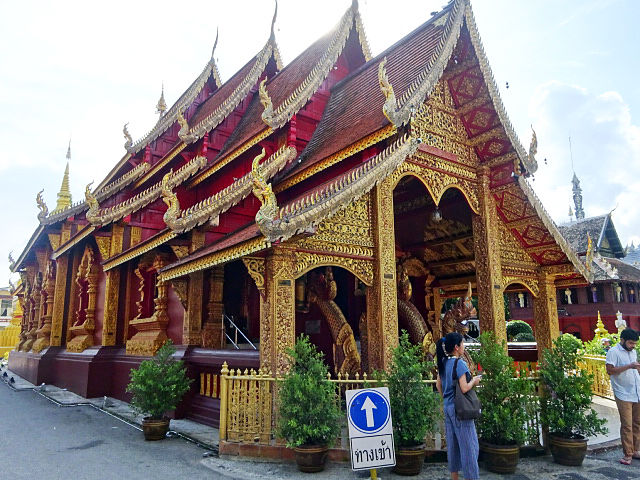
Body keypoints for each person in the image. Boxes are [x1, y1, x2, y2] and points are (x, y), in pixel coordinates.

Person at [436, 332, 482, 480]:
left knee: (453, 445)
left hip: (448, 407)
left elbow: (438, 385)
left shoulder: (443, 362)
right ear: (456, 347)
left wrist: (446, 398)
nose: (464, 346)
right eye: (462, 343)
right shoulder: (459, 363)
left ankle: (454, 477)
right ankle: (471, 477)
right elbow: (464, 388)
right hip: (460, 410)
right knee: (469, 447)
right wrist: (474, 381)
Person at [605, 328, 640, 465]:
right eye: (630, 343)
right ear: (622, 340)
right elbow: (610, 370)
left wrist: (636, 368)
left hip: (636, 391)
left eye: (635, 344)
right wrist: (629, 366)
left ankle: (636, 450)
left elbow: (634, 369)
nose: (633, 346)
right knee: (627, 425)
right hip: (623, 392)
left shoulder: (633, 352)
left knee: (637, 423)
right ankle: (628, 454)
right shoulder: (613, 352)